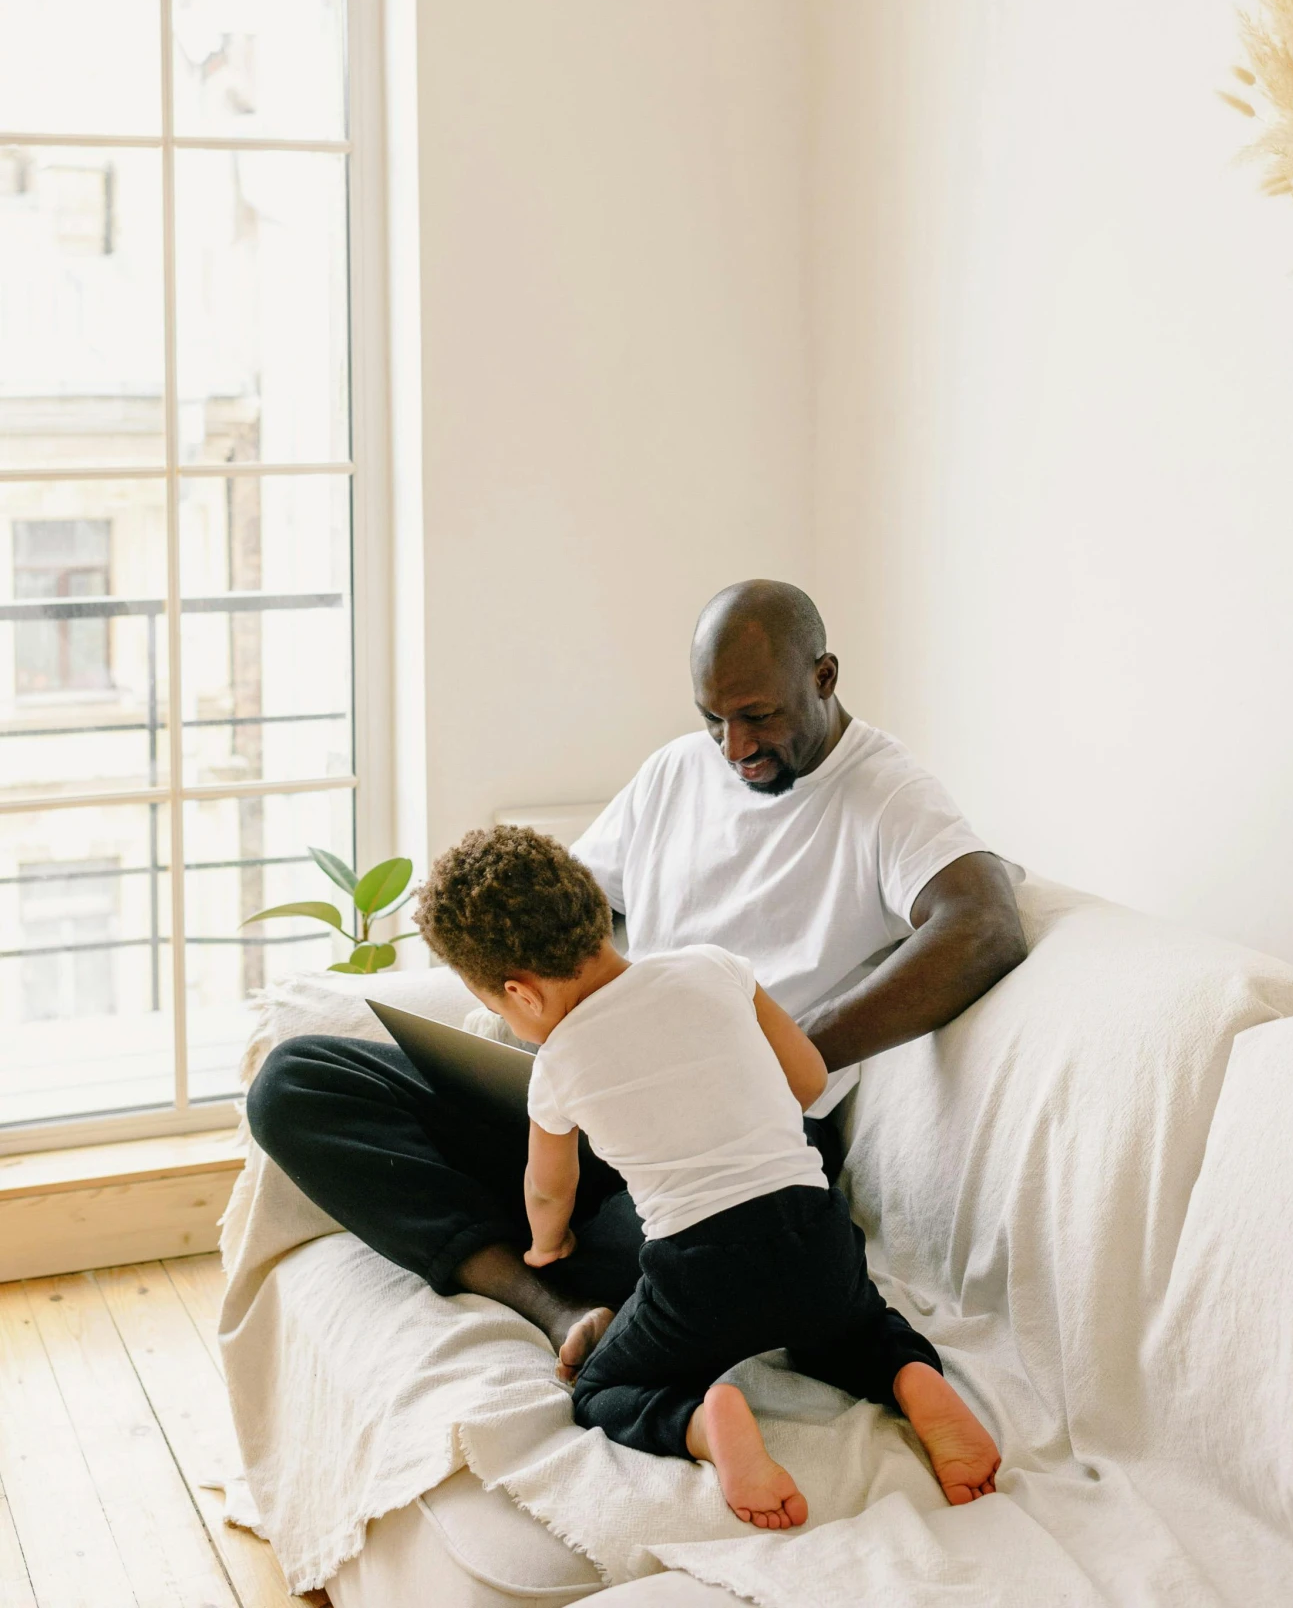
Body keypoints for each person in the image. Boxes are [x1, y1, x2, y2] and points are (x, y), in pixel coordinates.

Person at [247, 579, 1027, 1378]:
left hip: (725, 1149)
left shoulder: (888, 793)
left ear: (823, 676)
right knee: (295, 1083)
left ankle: (549, 1280)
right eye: (711, 717)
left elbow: (985, 925)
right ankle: (551, 1303)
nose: (733, 748)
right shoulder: (676, 773)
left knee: (699, 1272)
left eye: (757, 715)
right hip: (592, 1104)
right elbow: (568, 912)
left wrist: (762, 1057)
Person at [414, 824, 1002, 1526]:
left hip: (700, 1274)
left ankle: (706, 1420)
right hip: (814, 1232)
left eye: (496, 1006)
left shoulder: (558, 1065)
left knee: (602, 1389)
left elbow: (548, 1187)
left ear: (523, 994)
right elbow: (809, 1076)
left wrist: (546, 1244)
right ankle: (913, 1379)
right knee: (861, 1328)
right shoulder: (714, 967)